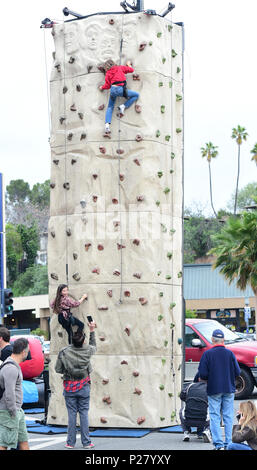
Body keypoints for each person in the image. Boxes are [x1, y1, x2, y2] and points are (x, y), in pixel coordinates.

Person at [55, 321, 97, 449]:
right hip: (84, 385)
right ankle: (87, 443)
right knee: (84, 413)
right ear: (83, 341)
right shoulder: (88, 350)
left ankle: (70, 443)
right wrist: (92, 330)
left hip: (69, 386)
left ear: (72, 341)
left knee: (71, 414)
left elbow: (58, 369)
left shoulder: (64, 351)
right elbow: (94, 345)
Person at [198, 328, 241, 450]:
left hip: (214, 389)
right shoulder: (230, 353)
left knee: (215, 416)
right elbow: (237, 372)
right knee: (228, 416)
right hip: (229, 388)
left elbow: (203, 374)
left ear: (212, 340)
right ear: (223, 340)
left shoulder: (207, 354)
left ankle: (218, 445)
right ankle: (228, 443)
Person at [0, 337, 30, 450]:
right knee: (4, 444)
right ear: (23, 352)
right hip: (9, 412)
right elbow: (9, 393)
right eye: (28, 351)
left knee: (23, 441)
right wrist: (13, 412)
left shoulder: (12, 365)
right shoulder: (10, 368)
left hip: (17, 410)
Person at [99, 59, 139, 134]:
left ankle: (107, 125)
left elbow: (107, 85)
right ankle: (123, 106)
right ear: (114, 63)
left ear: (106, 67)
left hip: (113, 90)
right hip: (121, 90)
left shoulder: (108, 73)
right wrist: (128, 64)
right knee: (136, 95)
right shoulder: (120, 68)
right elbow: (131, 70)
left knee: (110, 107)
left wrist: (102, 87)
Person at [179, 373, 211, 443]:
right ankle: (206, 430)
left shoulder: (190, 386)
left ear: (199, 379)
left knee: (181, 410)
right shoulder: (211, 388)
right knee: (211, 411)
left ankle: (186, 432)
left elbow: (182, 396)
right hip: (204, 420)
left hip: (188, 419)